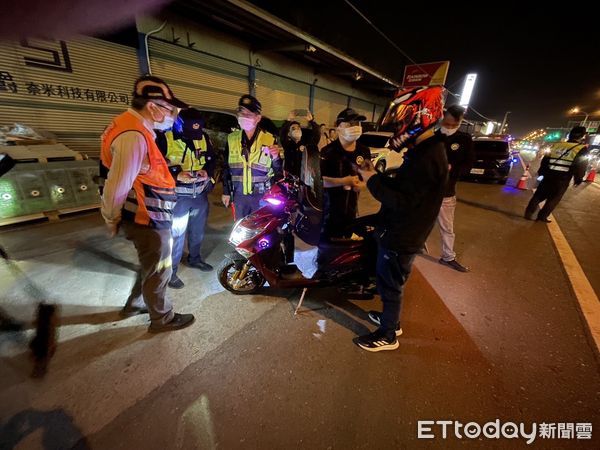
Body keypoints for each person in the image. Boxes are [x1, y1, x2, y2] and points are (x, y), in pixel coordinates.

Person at [356, 86, 448, 352]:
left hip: (402, 234)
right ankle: (390, 319)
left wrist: (371, 179)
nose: (397, 126)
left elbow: (401, 200)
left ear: (419, 115)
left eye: (401, 119)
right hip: (403, 230)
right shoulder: (426, 150)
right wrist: (377, 175)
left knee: (390, 284)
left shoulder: (428, 156)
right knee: (390, 282)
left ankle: (388, 334)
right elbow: (404, 189)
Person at [100, 75, 194, 333]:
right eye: (170, 109)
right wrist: (110, 217)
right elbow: (116, 184)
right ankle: (162, 319)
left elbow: (142, 173)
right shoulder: (134, 135)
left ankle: (137, 303)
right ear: (152, 107)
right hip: (147, 218)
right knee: (160, 269)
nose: (173, 115)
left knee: (150, 265)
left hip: (147, 215)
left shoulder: (132, 127)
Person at [161, 108, 216, 290]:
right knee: (176, 236)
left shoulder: (203, 137)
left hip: (199, 195)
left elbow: (211, 160)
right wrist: (176, 173)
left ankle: (195, 259)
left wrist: (206, 172)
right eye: (190, 132)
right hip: (178, 197)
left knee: (197, 232)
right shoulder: (164, 139)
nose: (195, 136)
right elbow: (154, 165)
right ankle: (171, 271)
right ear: (178, 125)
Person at [221, 95, 283, 220]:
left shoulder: (270, 138)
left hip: (262, 195)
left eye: (249, 114)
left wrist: (276, 157)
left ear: (258, 118)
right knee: (241, 231)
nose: (244, 116)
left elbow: (278, 170)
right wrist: (226, 192)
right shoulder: (232, 138)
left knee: (260, 232)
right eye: (241, 112)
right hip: (239, 196)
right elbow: (226, 167)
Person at [320, 108, 371, 241]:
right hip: (329, 213)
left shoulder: (364, 151)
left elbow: (370, 177)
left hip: (351, 211)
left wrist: (363, 185)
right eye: (349, 124)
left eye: (357, 124)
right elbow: (319, 181)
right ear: (338, 127)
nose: (355, 127)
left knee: (346, 242)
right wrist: (343, 181)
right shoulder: (328, 152)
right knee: (328, 244)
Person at [435, 105, 475, 272]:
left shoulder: (464, 140)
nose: (449, 128)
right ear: (443, 118)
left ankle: (448, 257)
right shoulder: (433, 136)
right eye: (447, 123)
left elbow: (468, 164)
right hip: (425, 191)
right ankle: (415, 248)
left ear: (459, 123)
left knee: (447, 228)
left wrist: (453, 169)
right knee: (420, 222)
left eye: (453, 125)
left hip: (446, 193)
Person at [524, 126, 589, 222]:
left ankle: (528, 213)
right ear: (582, 136)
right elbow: (581, 165)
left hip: (548, 175)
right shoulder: (581, 149)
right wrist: (578, 179)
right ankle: (542, 217)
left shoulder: (557, 145)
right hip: (563, 178)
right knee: (554, 198)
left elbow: (545, 160)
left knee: (539, 195)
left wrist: (542, 172)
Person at [280, 110, 320, 178]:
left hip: (304, 177)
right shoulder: (287, 144)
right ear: (289, 134)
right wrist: (288, 120)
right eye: (293, 128)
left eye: (298, 128)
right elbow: (282, 134)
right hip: (290, 177)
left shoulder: (307, 144)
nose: (297, 130)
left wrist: (312, 121)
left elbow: (316, 136)